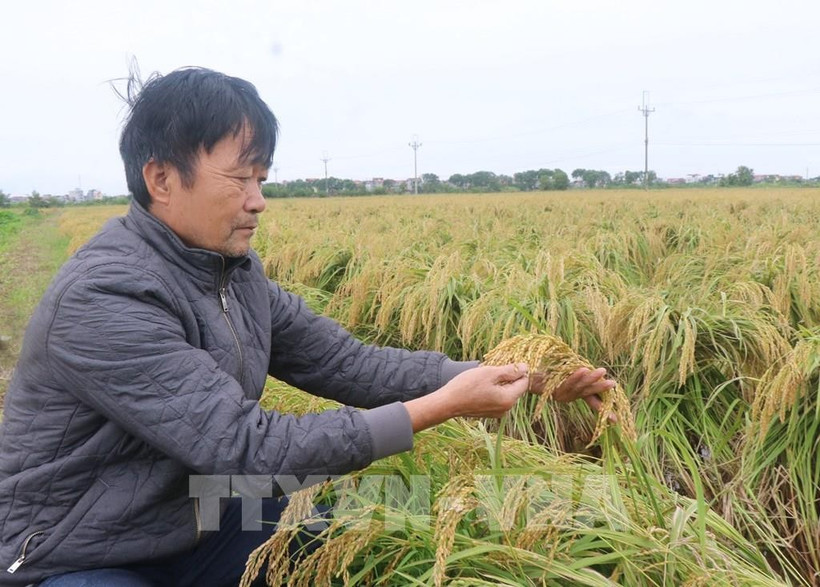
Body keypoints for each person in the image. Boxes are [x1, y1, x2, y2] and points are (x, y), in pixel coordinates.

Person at [0, 67, 615, 587]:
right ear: (161, 179)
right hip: (73, 548)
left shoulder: (232, 275)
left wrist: (526, 375)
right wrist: (441, 408)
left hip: (188, 519)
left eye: (262, 179)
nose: (258, 200)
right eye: (239, 178)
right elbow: (247, 449)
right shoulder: (104, 297)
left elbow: (350, 365)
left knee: (359, 532)